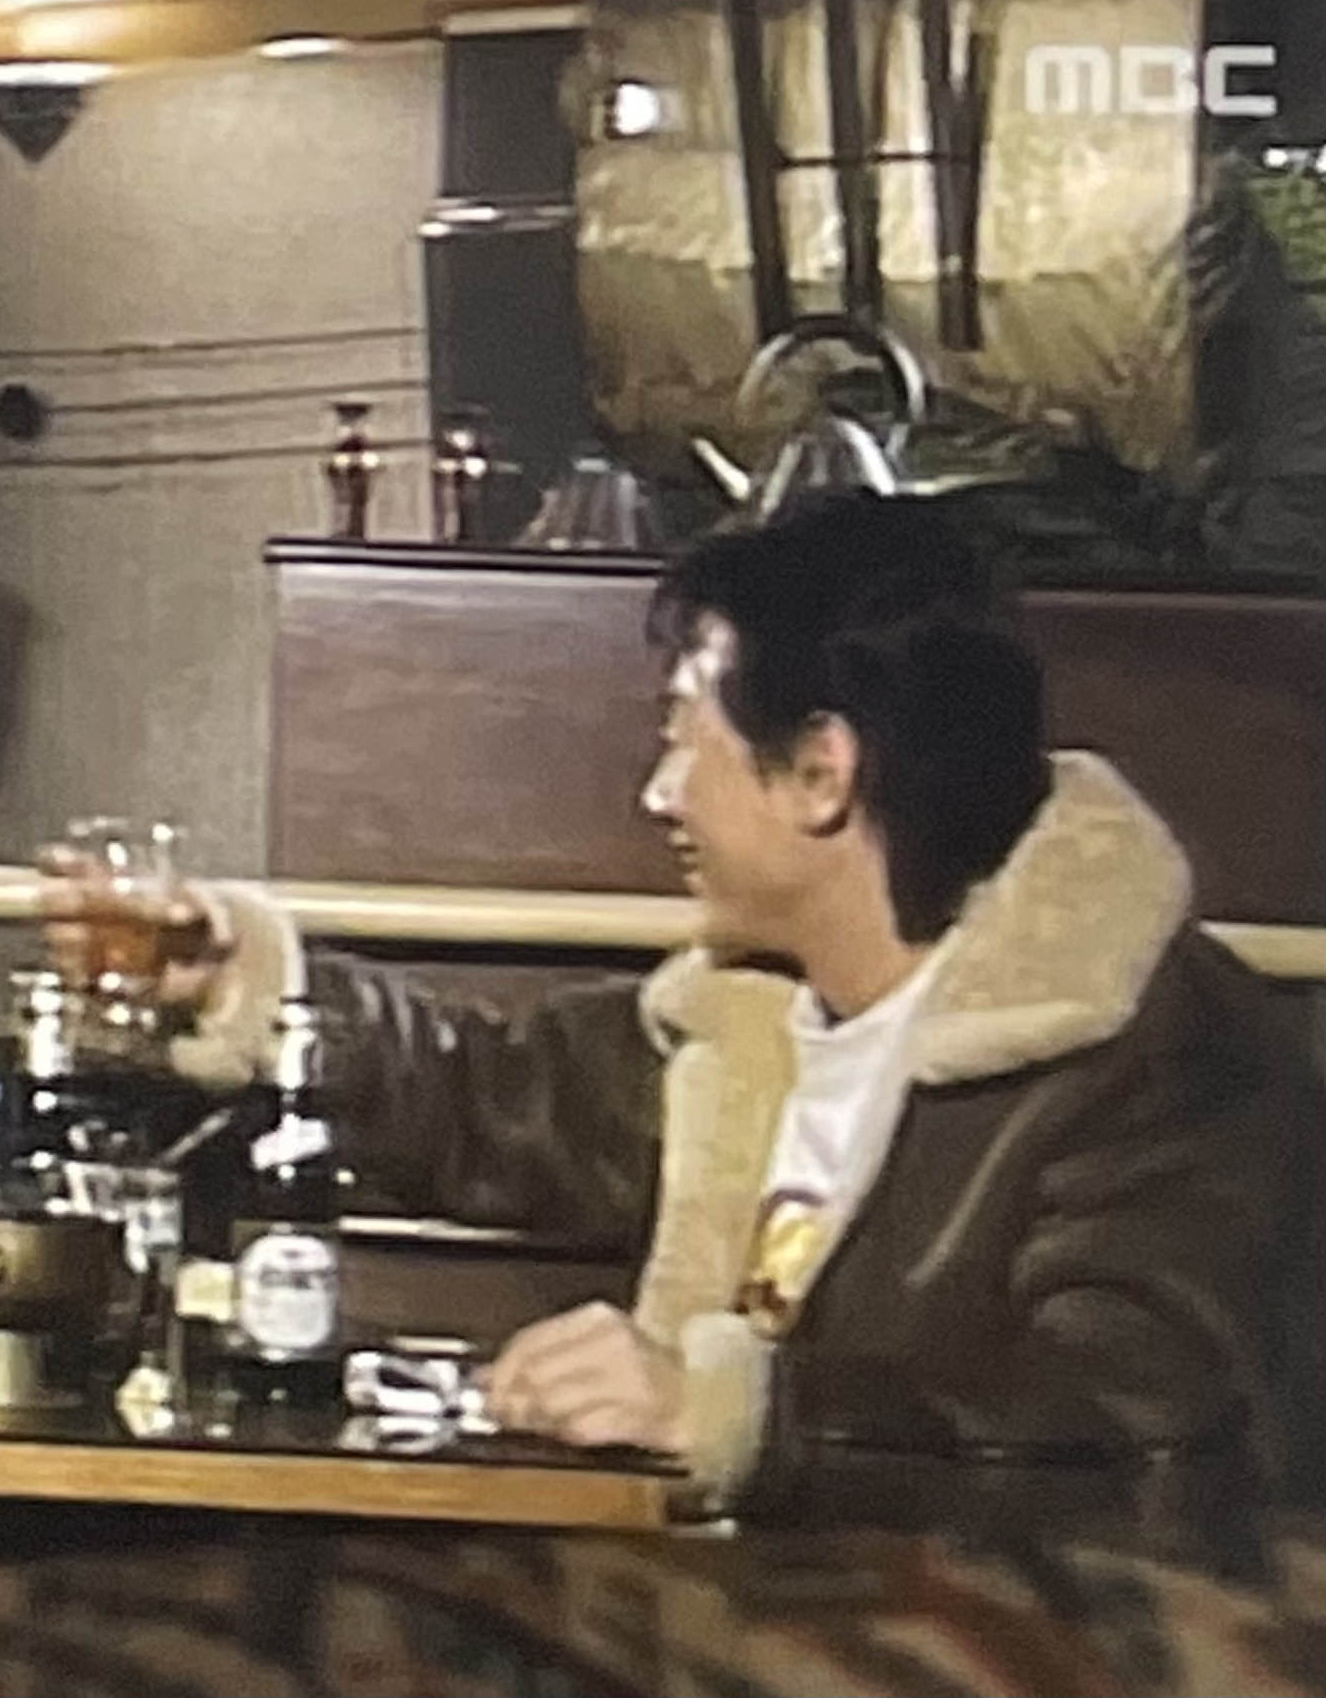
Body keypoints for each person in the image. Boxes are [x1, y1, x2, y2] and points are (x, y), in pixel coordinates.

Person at [163, 492, 1322, 1538]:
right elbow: (493, 1093)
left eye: (682, 737)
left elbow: (1139, 1440)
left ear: (820, 772)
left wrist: (733, 1414)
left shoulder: (1160, 1055)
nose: (657, 793)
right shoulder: (752, 1019)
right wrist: (240, 982)